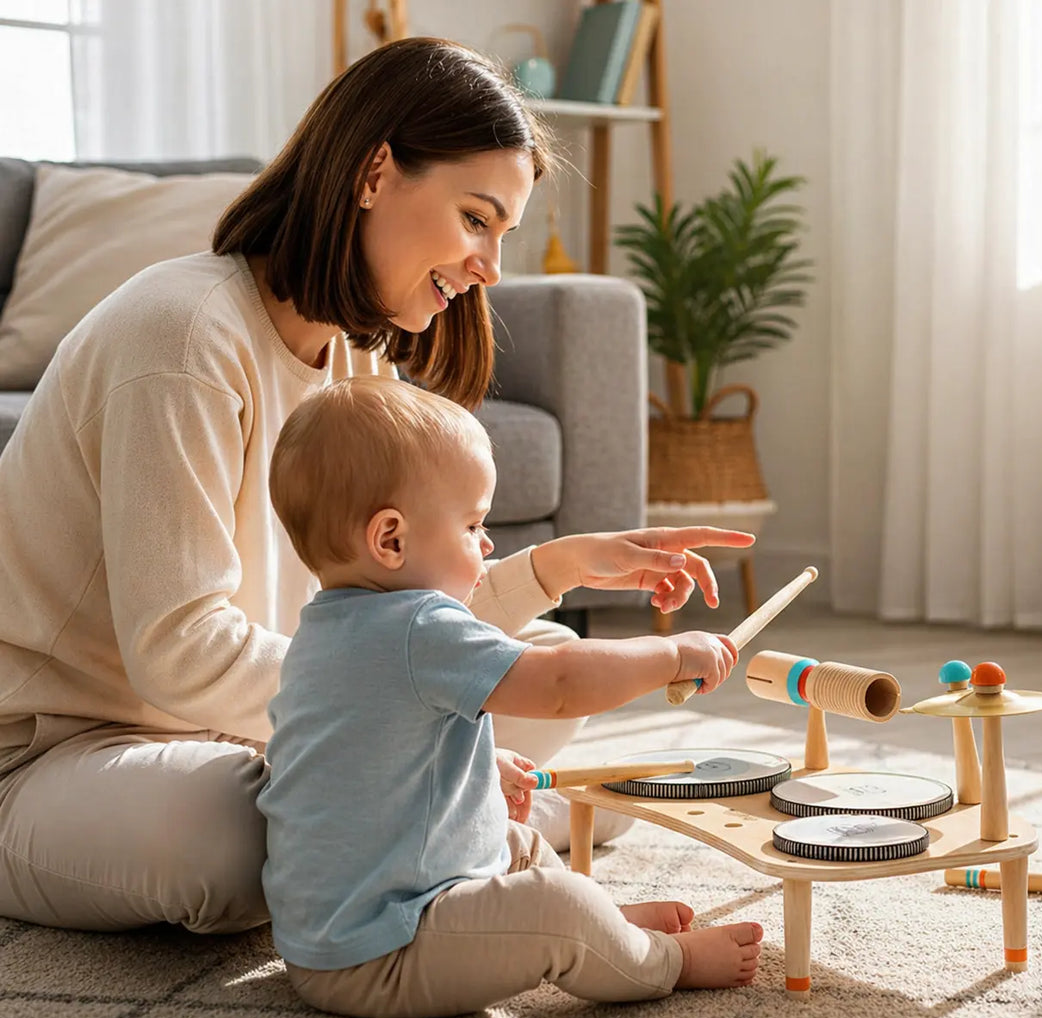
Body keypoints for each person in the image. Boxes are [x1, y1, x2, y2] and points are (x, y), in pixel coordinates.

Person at [0, 37, 753, 936]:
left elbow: (392, 613)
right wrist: (405, 733)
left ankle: (462, 824)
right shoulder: (185, 336)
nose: (490, 268)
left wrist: (555, 568)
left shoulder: (357, 363)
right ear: (374, 173)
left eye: (501, 233)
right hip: (59, 753)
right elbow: (180, 651)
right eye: (476, 219)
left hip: (245, 727)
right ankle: (475, 826)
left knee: (540, 670)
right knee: (215, 841)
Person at [260, 375, 763, 1018]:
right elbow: (556, 683)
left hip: (331, 941)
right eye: (473, 525)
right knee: (557, 907)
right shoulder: (419, 624)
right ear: (391, 539)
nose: (489, 544)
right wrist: (670, 653)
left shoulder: (322, 630)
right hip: (385, 952)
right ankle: (663, 960)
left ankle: (609, 926)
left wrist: (480, 768)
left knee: (516, 844)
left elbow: (362, 763)